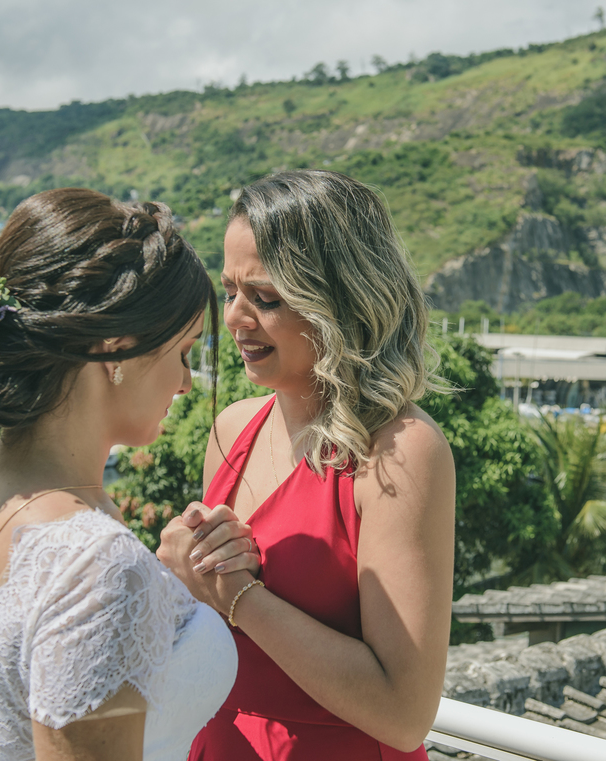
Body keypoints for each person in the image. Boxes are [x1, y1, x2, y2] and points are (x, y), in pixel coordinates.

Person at [0, 188, 249, 761]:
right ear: (115, 351)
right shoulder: (95, 561)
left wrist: (169, 589)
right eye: (182, 353)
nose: (186, 384)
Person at [156, 170, 457, 760]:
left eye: (265, 298)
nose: (236, 318)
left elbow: (403, 715)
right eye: (230, 291)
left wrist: (238, 596)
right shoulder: (230, 428)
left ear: (342, 300)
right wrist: (178, 577)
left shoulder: (402, 451)